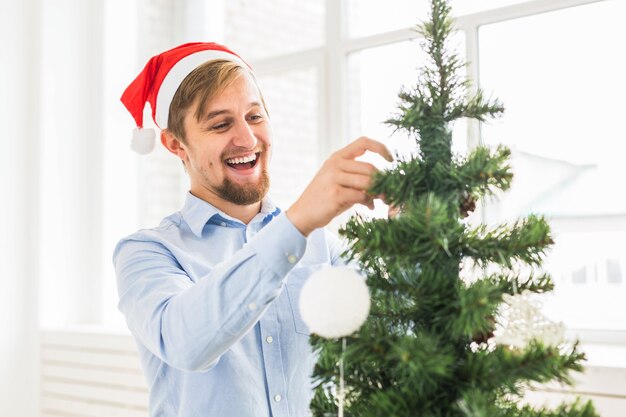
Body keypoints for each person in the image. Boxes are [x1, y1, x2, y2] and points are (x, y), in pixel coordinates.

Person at [114, 42, 393, 417]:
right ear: (176, 145)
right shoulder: (147, 252)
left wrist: (412, 235)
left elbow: (396, 336)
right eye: (220, 124)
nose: (247, 139)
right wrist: (297, 223)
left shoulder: (321, 247)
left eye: (255, 117)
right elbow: (184, 342)